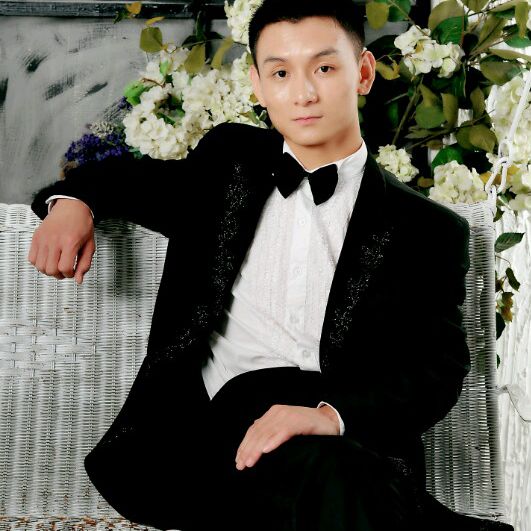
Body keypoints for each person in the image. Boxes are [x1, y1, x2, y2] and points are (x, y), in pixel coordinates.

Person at [27, 0, 514, 530]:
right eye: (281, 73)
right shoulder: (228, 162)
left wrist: (329, 416)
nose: (303, 93)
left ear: (363, 73)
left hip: (334, 440)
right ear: (258, 86)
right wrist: (72, 203)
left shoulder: (427, 229)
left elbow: (435, 369)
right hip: (203, 442)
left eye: (324, 68)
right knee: (339, 483)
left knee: (333, 476)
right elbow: (128, 180)